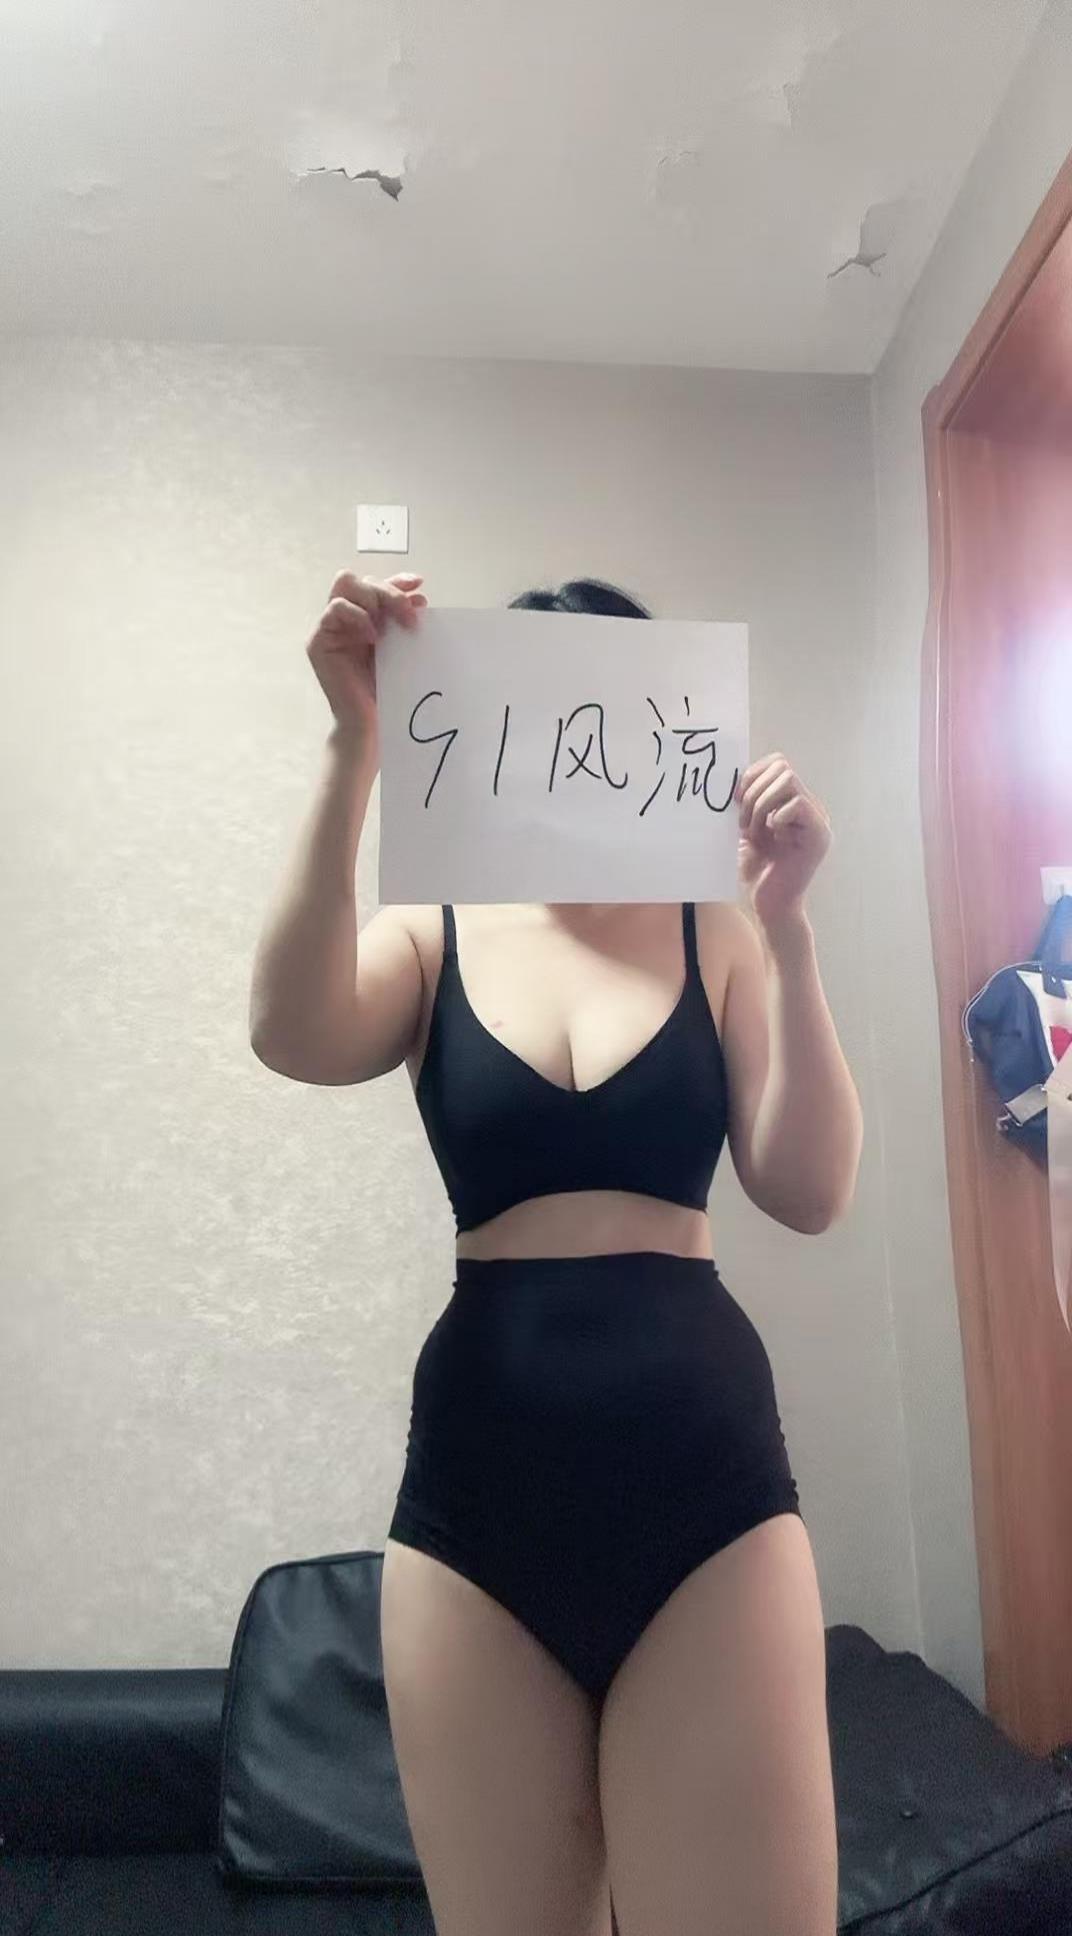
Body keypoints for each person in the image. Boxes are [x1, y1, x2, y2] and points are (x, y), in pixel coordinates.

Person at [249, 568, 863, 1936]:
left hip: (705, 1485)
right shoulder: (436, 929)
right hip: (481, 1489)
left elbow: (811, 1189)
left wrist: (790, 927)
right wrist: (354, 747)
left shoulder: (718, 931)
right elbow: (293, 1032)